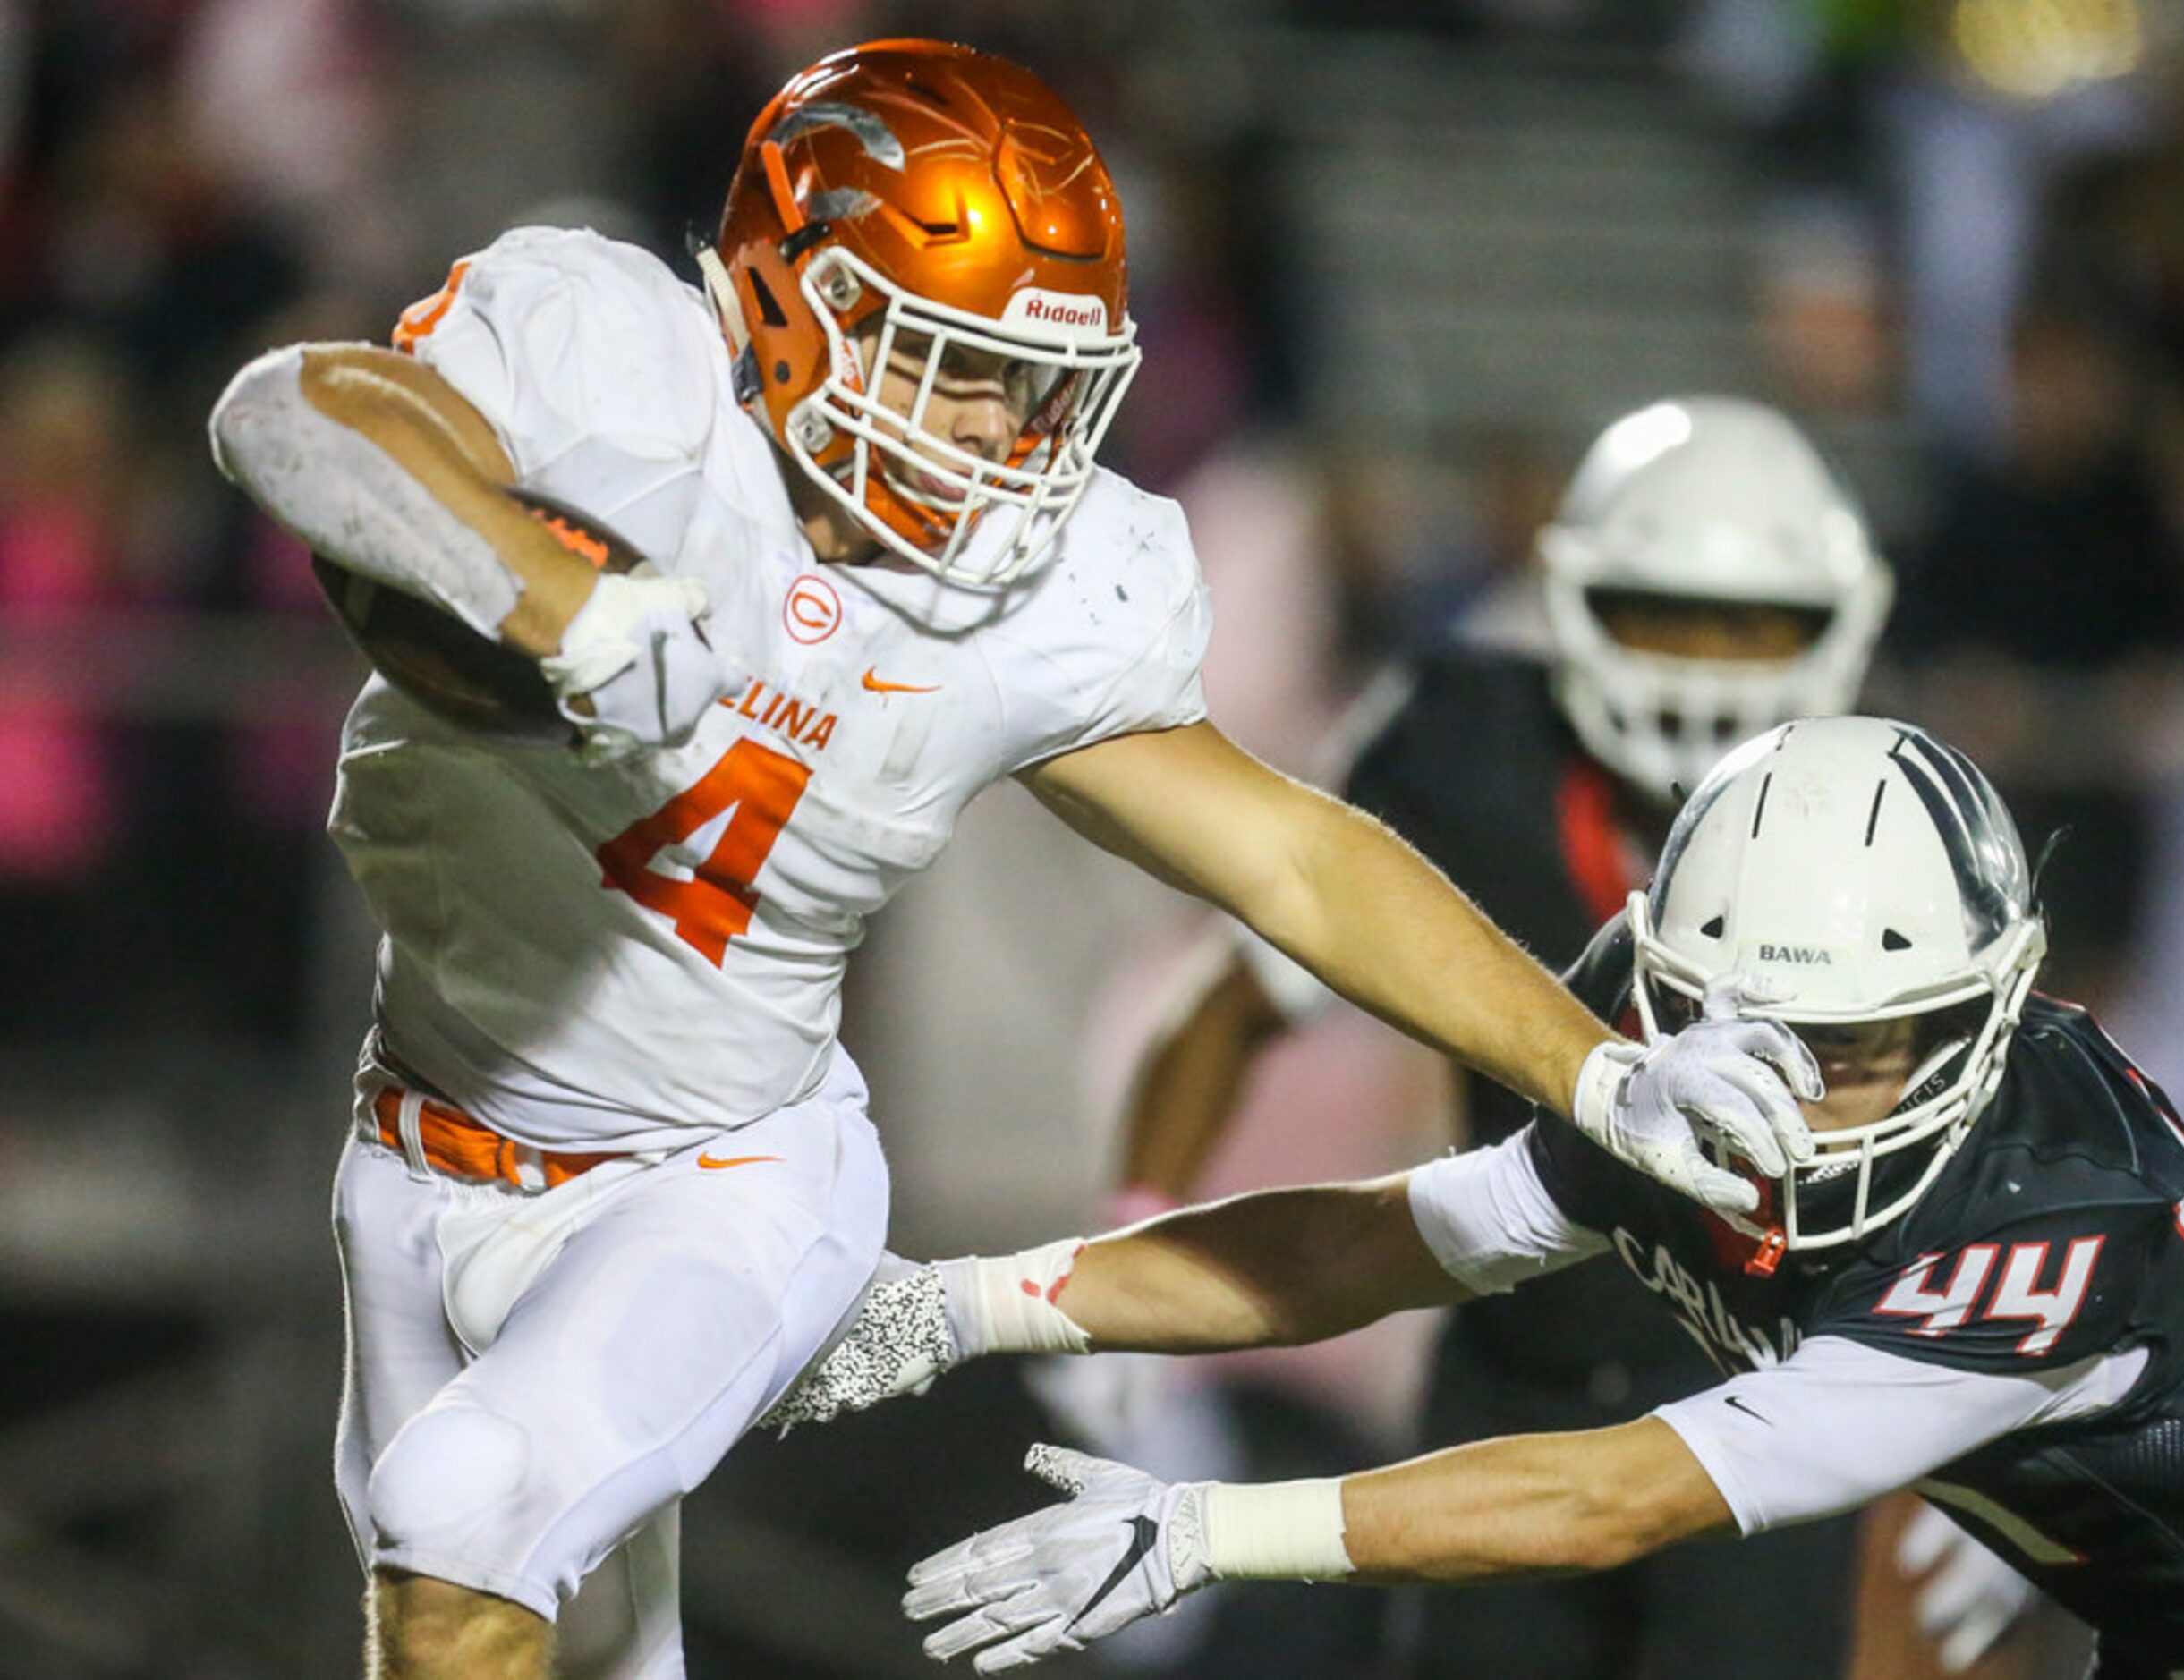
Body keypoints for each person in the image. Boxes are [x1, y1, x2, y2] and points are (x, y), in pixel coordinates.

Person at [204, 40, 1767, 1680]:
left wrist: (1593, 1071)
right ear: (797, 299)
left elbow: (1292, 859)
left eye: (1038, 382)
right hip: (416, 1145)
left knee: (461, 1512)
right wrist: (557, 595)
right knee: (535, 1631)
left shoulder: (1043, 601)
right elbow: (293, 414)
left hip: (724, 1168)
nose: (1009, 432)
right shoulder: (623, 372)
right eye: (955, 365)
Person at [795, 716, 2184, 1678]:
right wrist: (974, 1297)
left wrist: (1205, 1530)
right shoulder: (1673, 1057)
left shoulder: (2053, 1216)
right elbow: (1391, 1234)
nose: (1792, 1083)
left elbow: (1625, 1491)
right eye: (1740, 1022)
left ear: (1984, 1006)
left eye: (1858, 1042)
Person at [1093, 396, 2019, 1676]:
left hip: (1764, 1411)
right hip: (1514, 1388)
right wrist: (1126, 1268)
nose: (1706, 660)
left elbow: (2006, 1127)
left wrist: (2003, 1418)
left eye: (1753, 622)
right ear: (1575, 601)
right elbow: (1227, 1008)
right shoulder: (1460, 751)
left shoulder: (1884, 826)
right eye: (1666, 611)